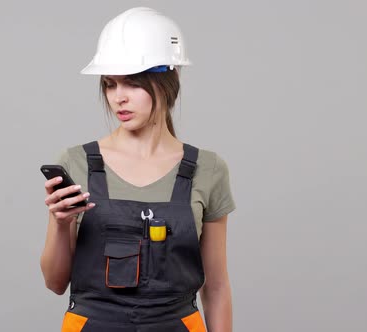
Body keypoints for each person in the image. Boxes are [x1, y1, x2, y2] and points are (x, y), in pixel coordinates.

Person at [40, 7, 235, 331]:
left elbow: (215, 288)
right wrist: (60, 223)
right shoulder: (76, 162)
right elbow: (55, 282)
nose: (119, 98)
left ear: (167, 80)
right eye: (110, 84)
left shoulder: (208, 170)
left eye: (132, 83)